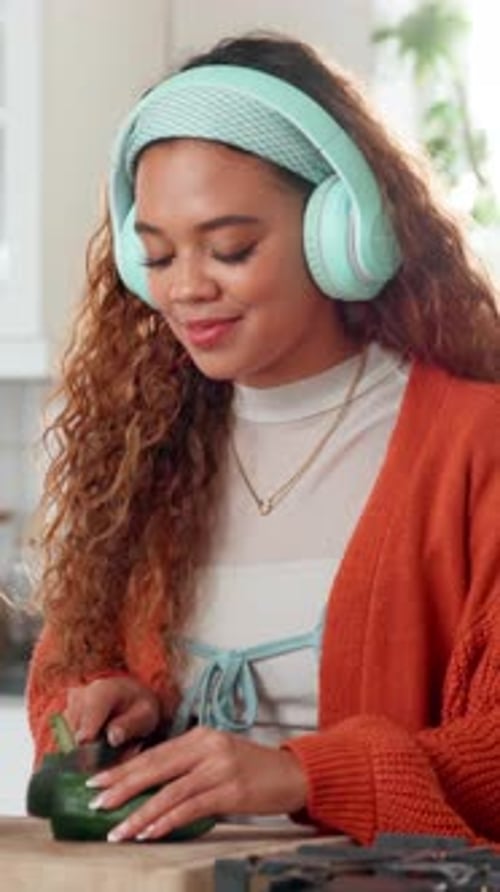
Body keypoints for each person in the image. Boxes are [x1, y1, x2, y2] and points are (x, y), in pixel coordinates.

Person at [27, 32, 500, 846]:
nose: (186, 288)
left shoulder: (475, 444)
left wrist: (302, 773)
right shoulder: (142, 454)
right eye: (157, 255)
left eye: (231, 249)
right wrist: (113, 718)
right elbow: (65, 680)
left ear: (341, 234)